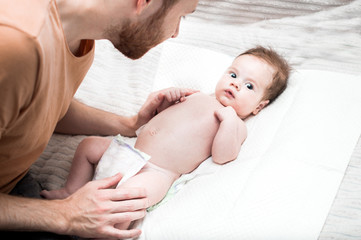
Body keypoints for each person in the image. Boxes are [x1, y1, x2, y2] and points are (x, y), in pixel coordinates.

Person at [0, 0, 199, 239]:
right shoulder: (16, 44)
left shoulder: (79, 37)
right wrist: (64, 213)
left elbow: (39, 102)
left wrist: (130, 125)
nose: (176, 32)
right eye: (182, 16)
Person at [41, 46, 291, 231]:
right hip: (131, 148)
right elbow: (158, 116)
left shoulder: (235, 123)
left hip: (157, 172)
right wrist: (166, 98)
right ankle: (71, 190)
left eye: (249, 86)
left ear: (259, 107)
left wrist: (227, 121)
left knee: (130, 198)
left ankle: (111, 232)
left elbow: (224, 155)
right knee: (89, 146)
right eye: (233, 75)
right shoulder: (197, 95)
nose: (236, 85)